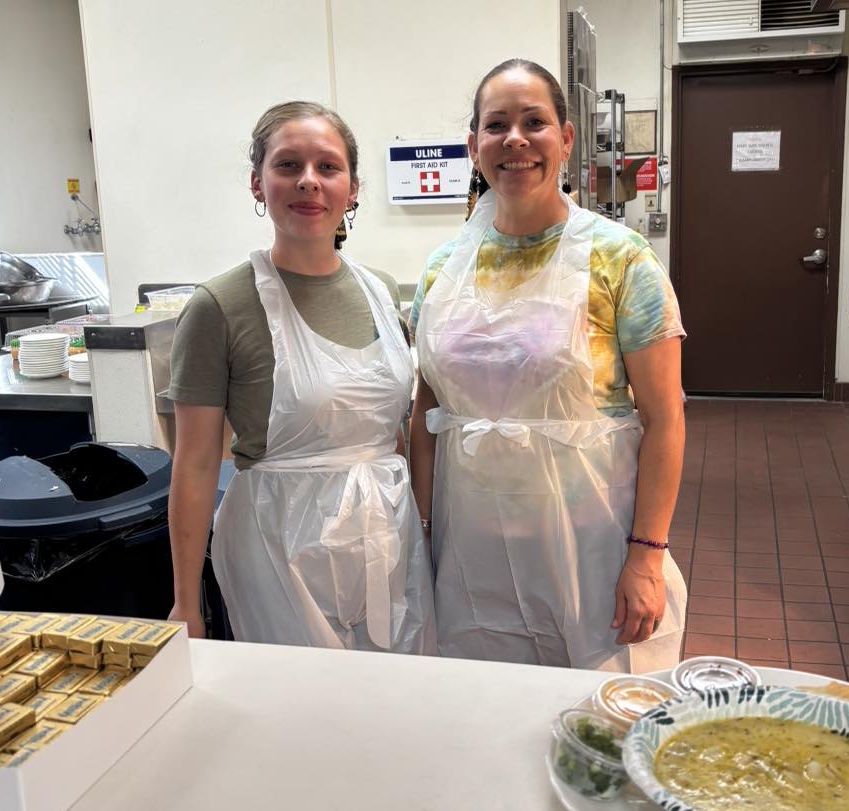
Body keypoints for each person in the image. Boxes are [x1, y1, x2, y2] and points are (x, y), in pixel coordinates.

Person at [409, 60, 687, 671]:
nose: (515, 139)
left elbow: (666, 418)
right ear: (474, 146)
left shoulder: (621, 259)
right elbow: (427, 411)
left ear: (565, 138)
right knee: (483, 707)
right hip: (470, 545)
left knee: (592, 714)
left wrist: (645, 556)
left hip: (589, 541)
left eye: (534, 122)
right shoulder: (441, 270)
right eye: (496, 124)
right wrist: (422, 530)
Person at [167, 101, 436, 654]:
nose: (308, 182)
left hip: (387, 533)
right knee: (299, 714)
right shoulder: (220, 305)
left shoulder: (382, 292)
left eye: (328, 167)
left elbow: (397, 432)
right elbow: (193, 464)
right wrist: (185, 602)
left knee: (402, 701)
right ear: (257, 184)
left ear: (353, 188)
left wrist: (425, 530)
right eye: (288, 166)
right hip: (279, 545)